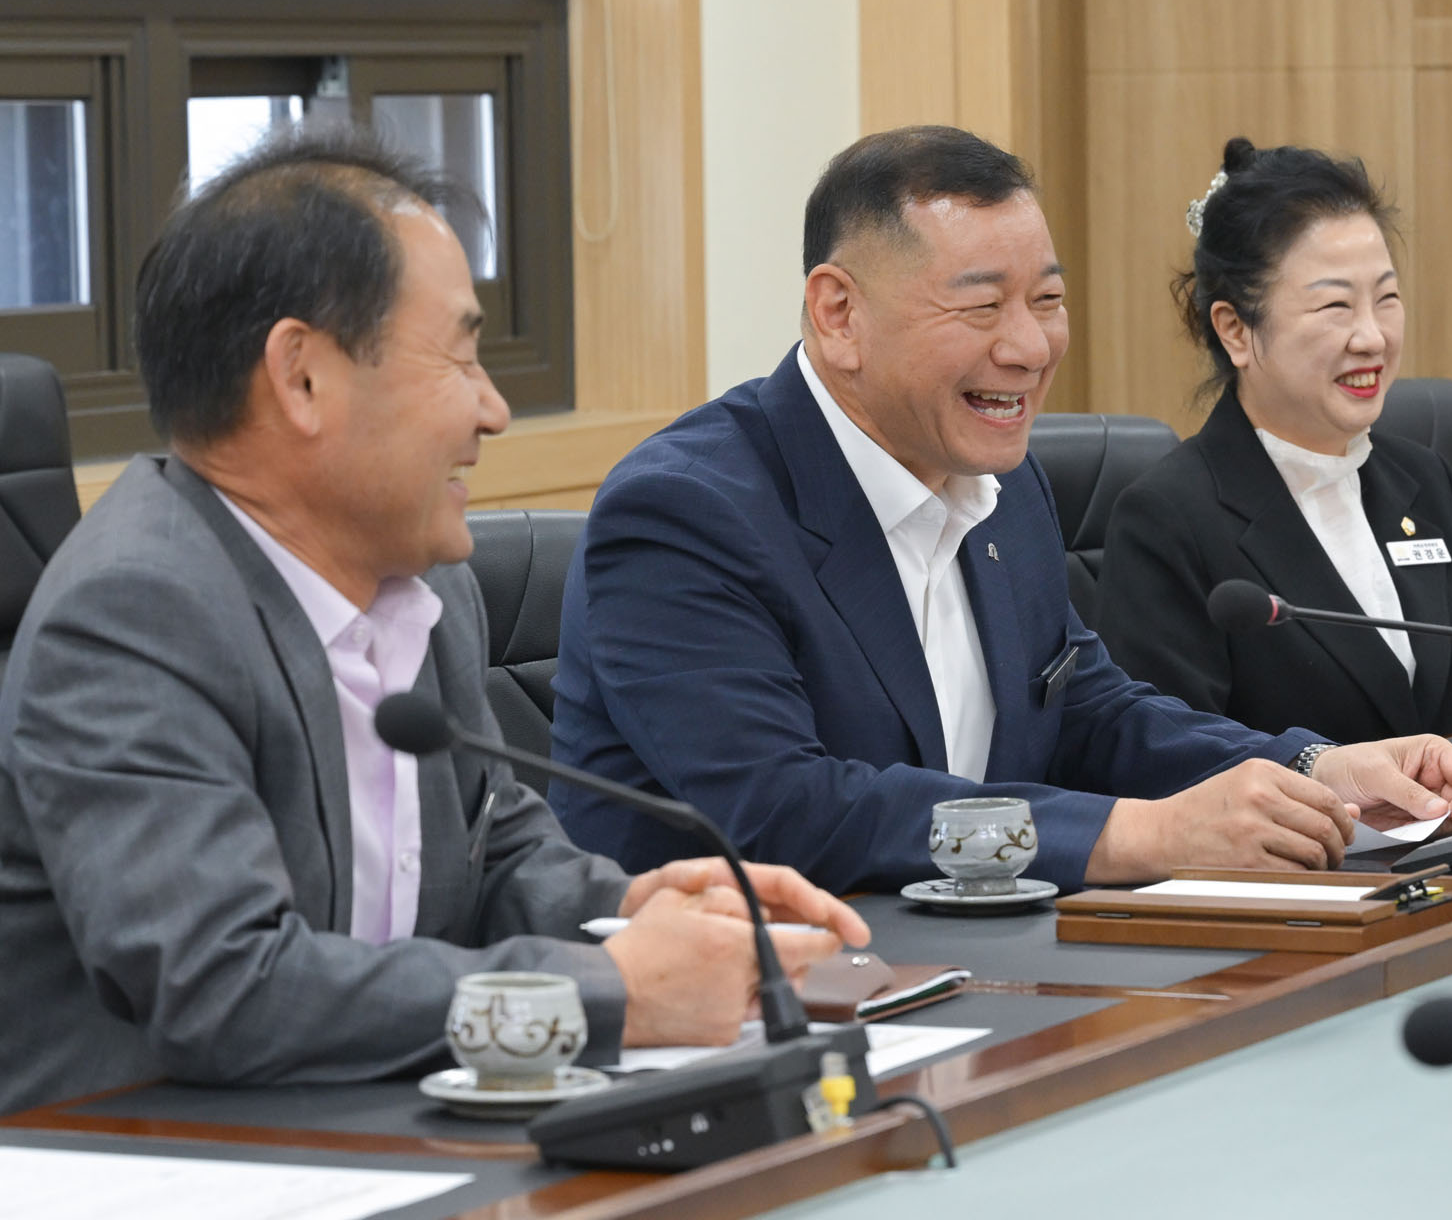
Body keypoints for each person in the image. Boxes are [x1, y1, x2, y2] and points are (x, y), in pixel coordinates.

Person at [0, 128, 866, 1116]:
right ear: (302, 376)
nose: (493, 409)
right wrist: (612, 989)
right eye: (460, 354)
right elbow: (222, 986)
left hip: (369, 1121)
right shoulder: (137, 613)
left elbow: (496, 855)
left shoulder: (421, 584)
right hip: (154, 1151)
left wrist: (636, 911)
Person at [549, 125, 1452, 894]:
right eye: (982, 308)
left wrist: (1312, 769)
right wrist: (1142, 836)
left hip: (983, 962)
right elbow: (790, 812)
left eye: (1047, 300)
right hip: (753, 1004)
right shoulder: (686, 514)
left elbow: (1088, 712)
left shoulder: (1003, 484)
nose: (1032, 348)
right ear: (838, 315)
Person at [1093, 137, 1452, 745]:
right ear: (1235, 330)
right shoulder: (1169, 520)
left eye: (1386, 298)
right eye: (1335, 306)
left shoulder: (1425, 481)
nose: (1372, 338)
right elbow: (1170, 757)